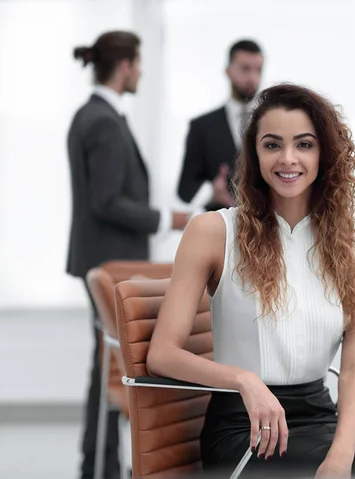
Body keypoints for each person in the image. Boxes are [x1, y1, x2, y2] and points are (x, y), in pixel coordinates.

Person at [147, 83, 355, 478]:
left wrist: (341, 457)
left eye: (305, 144)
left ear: (324, 153)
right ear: (254, 153)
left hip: (322, 420)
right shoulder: (213, 232)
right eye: (272, 145)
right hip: (246, 429)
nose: (288, 159)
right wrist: (243, 380)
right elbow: (162, 354)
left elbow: (354, 370)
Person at [67, 31, 190, 479]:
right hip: (111, 264)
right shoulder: (102, 121)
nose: (140, 72)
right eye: (138, 63)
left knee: (109, 365)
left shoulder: (95, 115)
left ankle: (101, 464)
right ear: (124, 66)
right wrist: (169, 220)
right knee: (115, 367)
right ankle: (100, 464)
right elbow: (106, 201)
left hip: (103, 258)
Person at [176, 39, 264, 212]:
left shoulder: (273, 123)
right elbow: (184, 190)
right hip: (217, 229)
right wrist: (211, 191)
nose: (253, 78)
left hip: (265, 228)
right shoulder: (201, 126)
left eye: (258, 70)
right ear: (228, 71)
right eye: (245, 69)